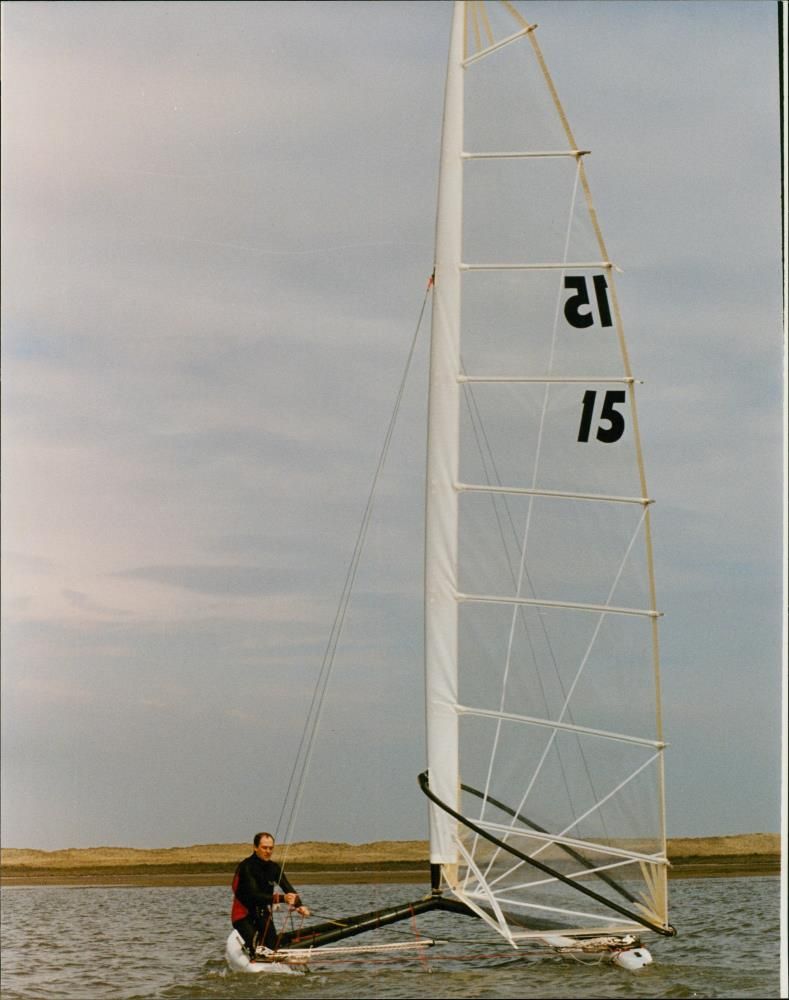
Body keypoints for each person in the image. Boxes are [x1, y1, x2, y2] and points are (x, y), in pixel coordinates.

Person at [231, 831, 310, 956]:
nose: (268, 851)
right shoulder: (246, 867)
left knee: (272, 947)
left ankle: (278, 948)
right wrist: (283, 898)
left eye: (271, 848)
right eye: (264, 847)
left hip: (262, 913)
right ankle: (250, 948)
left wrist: (299, 905)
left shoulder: (274, 868)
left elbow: (287, 887)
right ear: (255, 847)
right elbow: (254, 896)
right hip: (243, 915)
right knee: (258, 948)